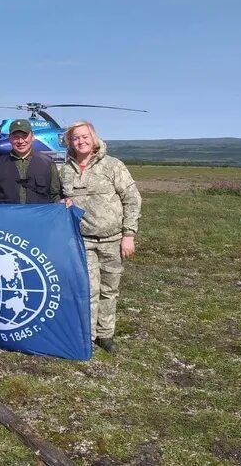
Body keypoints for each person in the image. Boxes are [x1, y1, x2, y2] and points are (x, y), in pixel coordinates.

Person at [60, 120, 141, 354]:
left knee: (109, 289)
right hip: (82, 241)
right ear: (70, 142)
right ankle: (87, 335)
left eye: (85, 136)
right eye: (75, 138)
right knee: (87, 289)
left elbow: (132, 199)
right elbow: (63, 197)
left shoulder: (113, 165)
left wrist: (129, 235)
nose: (81, 141)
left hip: (113, 239)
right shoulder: (65, 170)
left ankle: (105, 334)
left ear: (93, 138)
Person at [0, 119, 61, 204]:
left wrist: (63, 201)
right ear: (10, 138)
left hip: (38, 217)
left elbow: (55, 195)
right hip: (9, 216)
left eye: (24, 136)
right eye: (16, 136)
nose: (20, 141)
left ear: (33, 137)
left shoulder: (47, 163)